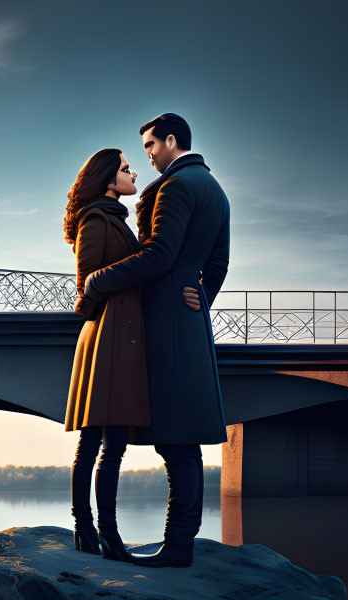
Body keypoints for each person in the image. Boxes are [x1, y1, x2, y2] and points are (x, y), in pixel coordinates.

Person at [81, 113, 230, 568]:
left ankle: (177, 547)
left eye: (150, 145)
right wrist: (201, 295)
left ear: (171, 140)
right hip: (188, 319)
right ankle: (180, 543)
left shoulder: (175, 187)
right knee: (182, 437)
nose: (147, 154)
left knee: (176, 440)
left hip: (164, 319)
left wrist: (98, 281)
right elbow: (219, 262)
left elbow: (159, 255)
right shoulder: (216, 189)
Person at [62, 147, 150, 563]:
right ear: (108, 180)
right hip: (105, 338)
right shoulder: (95, 220)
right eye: (126, 169)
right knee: (93, 441)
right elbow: (85, 292)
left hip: (124, 337)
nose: (133, 173)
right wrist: (115, 296)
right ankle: (86, 527)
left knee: (114, 443)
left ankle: (110, 534)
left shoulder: (119, 220)